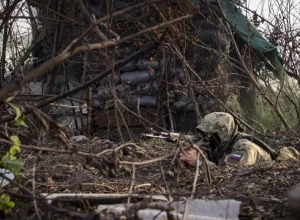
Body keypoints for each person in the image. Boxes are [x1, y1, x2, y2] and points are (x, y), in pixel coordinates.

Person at [180, 112, 300, 167]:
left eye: (210, 134)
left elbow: (228, 172)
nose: (207, 138)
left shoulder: (243, 147)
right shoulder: (227, 145)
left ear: (223, 132)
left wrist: (198, 162)